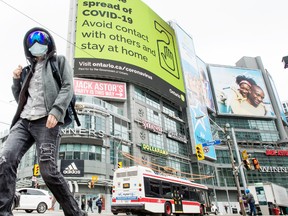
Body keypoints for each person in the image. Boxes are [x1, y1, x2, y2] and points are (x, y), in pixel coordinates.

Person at [0, 27, 87, 216]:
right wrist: (16, 81)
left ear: (48, 43)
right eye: (32, 42)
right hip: (24, 121)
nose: (36, 44)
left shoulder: (59, 61)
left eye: (41, 40)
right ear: (27, 47)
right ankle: (4, 211)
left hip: (46, 121)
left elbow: (67, 87)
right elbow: (20, 99)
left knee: (48, 171)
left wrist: (56, 111)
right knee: (5, 159)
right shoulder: (26, 71)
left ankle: (76, 213)